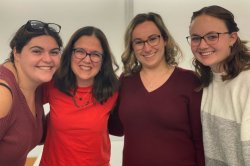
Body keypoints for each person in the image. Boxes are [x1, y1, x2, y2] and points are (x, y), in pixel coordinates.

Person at [108, 12, 205, 166]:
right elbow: (116, 128)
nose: (147, 47)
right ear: (132, 47)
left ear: (165, 39)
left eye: (153, 38)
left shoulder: (189, 81)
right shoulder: (125, 81)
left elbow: (200, 141)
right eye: (139, 42)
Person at [39, 26, 119, 166]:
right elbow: (22, 101)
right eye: (80, 52)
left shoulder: (113, 90)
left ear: (103, 60)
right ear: (70, 54)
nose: (87, 60)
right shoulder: (53, 83)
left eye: (95, 54)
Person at [186, 5, 250, 166]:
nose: (202, 45)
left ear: (232, 38)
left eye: (212, 36)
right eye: (195, 38)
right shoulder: (207, 81)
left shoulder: (247, 81)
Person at [0, 20, 62, 166]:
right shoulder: (3, 94)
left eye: (54, 52)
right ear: (17, 53)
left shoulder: (37, 85)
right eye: (37, 51)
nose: (47, 59)